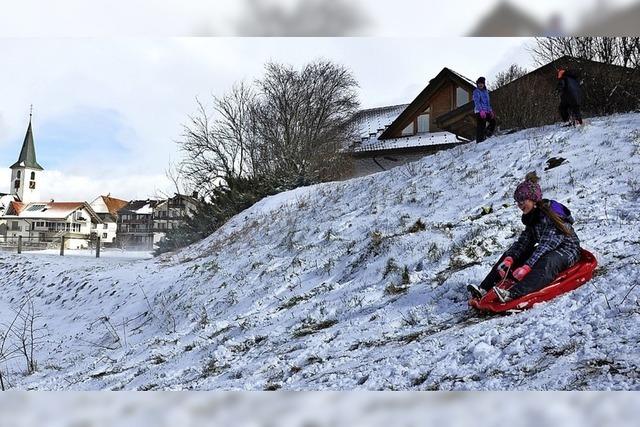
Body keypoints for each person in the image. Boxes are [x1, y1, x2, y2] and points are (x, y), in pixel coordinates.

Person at [467, 172, 582, 303]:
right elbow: (524, 243)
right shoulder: (532, 217)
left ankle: (513, 293)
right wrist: (510, 259)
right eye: (517, 202)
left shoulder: (551, 216)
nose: (519, 205)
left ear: (533, 199)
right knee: (512, 255)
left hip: (567, 251)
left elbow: (545, 247)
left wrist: (527, 267)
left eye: (522, 200)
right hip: (549, 250)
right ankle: (483, 289)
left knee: (547, 261)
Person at [472, 76, 496, 143]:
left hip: (487, 111)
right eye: (479, 83)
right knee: (481, 125)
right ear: (477, 84)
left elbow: (488, 102)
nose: (480, 85)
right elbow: (477, 102)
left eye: (482, 83)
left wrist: (490, 111)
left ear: (484, 84)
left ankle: (487, 134)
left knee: (493, 122)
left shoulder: (486, 92)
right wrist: (481, 111)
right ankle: (479, 141)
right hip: (479, 111)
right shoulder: (476, 92)